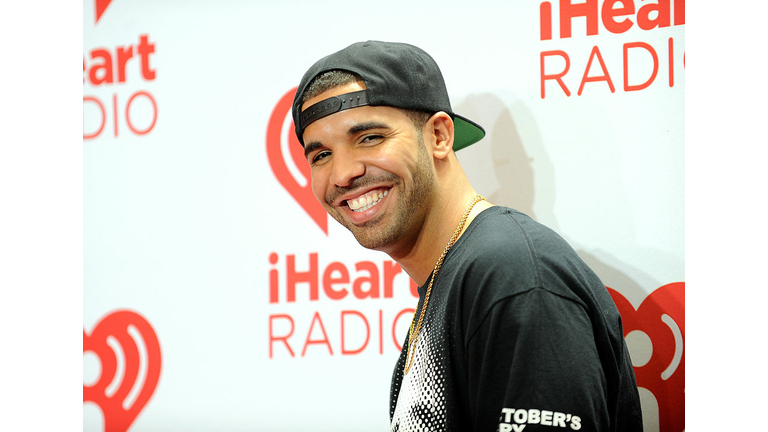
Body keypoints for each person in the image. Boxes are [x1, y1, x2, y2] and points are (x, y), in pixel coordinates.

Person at [291, 40, 643, 432]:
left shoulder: (511, 273)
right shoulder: (455, 279)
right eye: (320, 155)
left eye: (369, 137)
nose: (342, 174)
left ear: (440, 136)